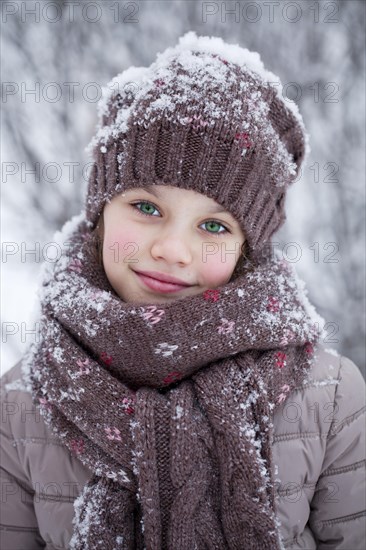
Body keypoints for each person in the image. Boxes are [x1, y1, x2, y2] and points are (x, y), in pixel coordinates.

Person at [1, 31, 365, 550]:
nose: (173, 249)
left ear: (246, 249)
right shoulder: (22, 403)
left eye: (214, 227)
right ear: (101, 212)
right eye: (147, 208)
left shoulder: (330, 399)